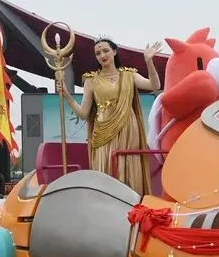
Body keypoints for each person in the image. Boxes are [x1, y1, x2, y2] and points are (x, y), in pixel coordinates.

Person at [61, 38, 161, 195]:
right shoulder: (91, 81)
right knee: (106, 167)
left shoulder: (129, 75)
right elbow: (83, 114)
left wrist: (149, 61)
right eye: (98, 53)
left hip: (128, 130)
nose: (102, 55)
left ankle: (132, 203)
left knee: (128, 164)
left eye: (105, 50)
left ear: (114, 52)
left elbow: (154, 85)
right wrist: (67, 96)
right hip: (103, 133)